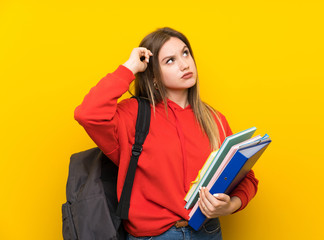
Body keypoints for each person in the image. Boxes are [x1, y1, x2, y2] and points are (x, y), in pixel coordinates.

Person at [74, 27, 259, 240]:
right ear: (153, 77)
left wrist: (230, 206)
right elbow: (88, 114)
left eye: (185, 53)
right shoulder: (133, 115)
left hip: (207, 232)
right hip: (153, 236)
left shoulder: (214, 119)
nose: (184, 64)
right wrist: (130, 68)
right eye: (169, 60)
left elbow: (246, 176)